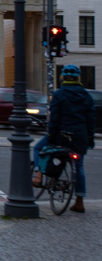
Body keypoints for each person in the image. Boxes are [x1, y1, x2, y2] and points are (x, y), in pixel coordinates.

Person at [32, 64, 96, 213]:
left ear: (62, 77)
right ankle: (79, 202)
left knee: (39, 148)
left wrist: (50, 135)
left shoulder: (59, 94)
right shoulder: (87, 96)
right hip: (80, 137)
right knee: (78, 168)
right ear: (78, 78)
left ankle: (38, 175)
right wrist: (90, 139)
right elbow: (91, 119)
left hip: (61, 134)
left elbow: (54, 118)